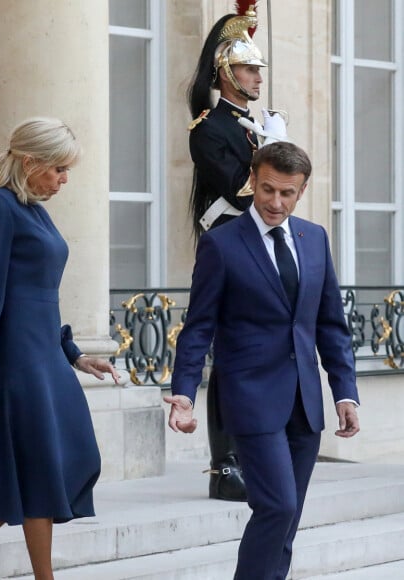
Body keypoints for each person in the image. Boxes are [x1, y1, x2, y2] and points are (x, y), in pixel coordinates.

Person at [0, 117, 120, 580]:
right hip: (17, 359)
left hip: (47, 357)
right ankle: (43, 575)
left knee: (77, 457)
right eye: (57, 169)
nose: (64, 180)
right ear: (31, 161)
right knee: (42, 467)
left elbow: (40, 294)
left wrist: (73, 352)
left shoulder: (35, 209)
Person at [165, 141, 360, 579]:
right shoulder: (221, 244)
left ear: (302, 190)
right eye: (267, 189)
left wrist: (345, 392)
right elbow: (198, 326)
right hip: (251, 398)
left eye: (286, 193)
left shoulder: (314, 239)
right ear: (252, 180)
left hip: (305, 402)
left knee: (286, 521)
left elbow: (330, 325)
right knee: (277, 505)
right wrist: (183, 392)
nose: (275, 202)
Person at [185, 4, 282, 502]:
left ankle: (257, 453)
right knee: (229, 359)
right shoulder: (208, 128)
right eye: (248, 68)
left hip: (262, 243)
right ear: (226, 71)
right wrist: (271, 155)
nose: (257, 76)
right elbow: (238, 190)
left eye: (258, 68)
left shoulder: (260, 123)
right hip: (229, 245)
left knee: (265, 351)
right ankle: (225, 466)